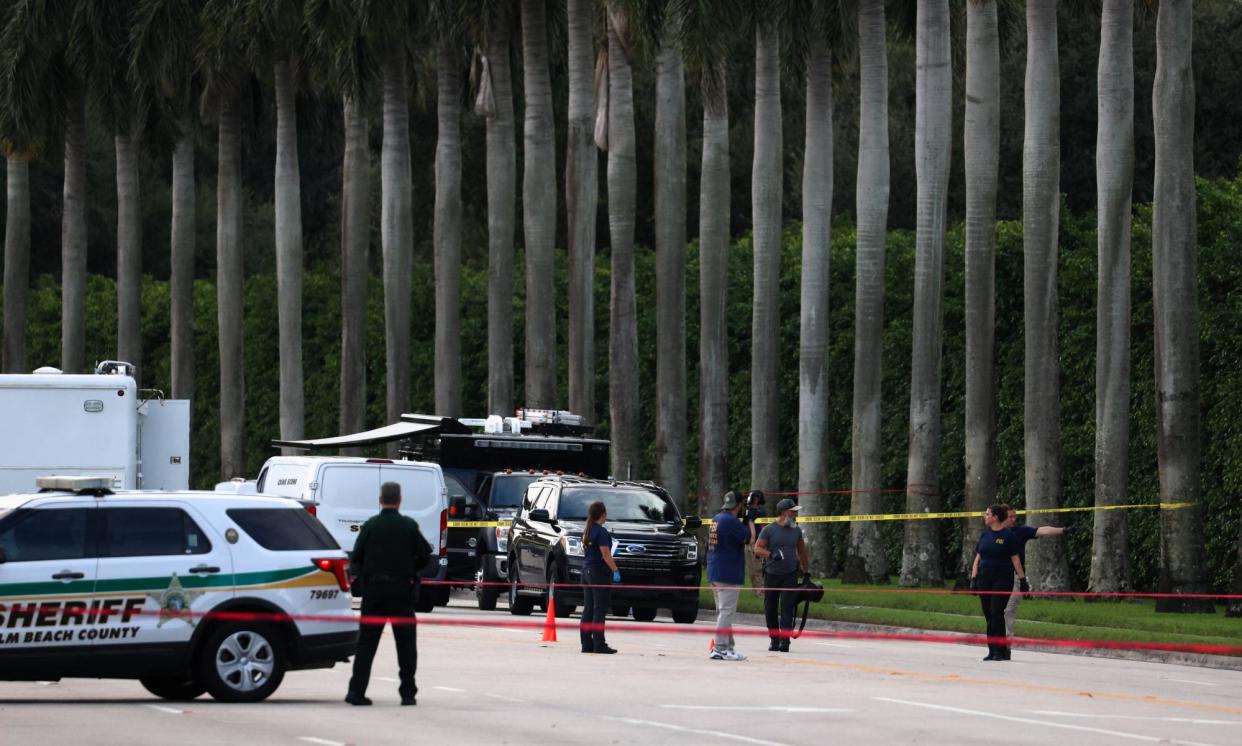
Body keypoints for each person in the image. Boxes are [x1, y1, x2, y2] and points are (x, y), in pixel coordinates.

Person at [346, 481, 432, 706]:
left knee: (366, 644)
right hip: (401, 592)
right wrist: (411, 568)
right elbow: (425, 555)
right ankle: (407, 693)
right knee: (406, 645)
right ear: (399, 500)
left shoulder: (371, 526)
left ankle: (356, 691)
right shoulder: (409, 526)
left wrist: (366, 572)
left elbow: (355, 557)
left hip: (374, 592)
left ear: (380, 500)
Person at [1003, 507, 1076, 638]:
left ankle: (1006, 641)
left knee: (1009, 609)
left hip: (1014, 576)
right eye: (1010, 517)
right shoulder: (992, 533)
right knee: (995, 610)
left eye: (1015, 516)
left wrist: (1063, 530)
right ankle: (994, 640)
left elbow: (1042, 530)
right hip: (996, 575)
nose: (1014, 519)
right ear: (1002, 517)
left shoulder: (1021, 531)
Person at [969, 504, 1027, 662]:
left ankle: (1001, 650)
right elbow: (978, 558)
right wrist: (974, 578)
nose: (985, 516)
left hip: (1002, 578)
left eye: (987, 514)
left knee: (996, 612)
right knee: (988, 614)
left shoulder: (1008, 536)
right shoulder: (985, 535)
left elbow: (1015, 559)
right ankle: (992, 649)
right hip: (984, 578)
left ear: (995, 517)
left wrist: (1022, 580)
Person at [754, 498, 809, 652]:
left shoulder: (796, 530)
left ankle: (785, 641)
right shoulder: (769, 530)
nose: (795, 514)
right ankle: (774, 639)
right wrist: (771, 555)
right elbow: (757, 549)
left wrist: (806, 571)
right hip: (772, 574)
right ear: (784, 512)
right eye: (793, 511)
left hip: (790, 574)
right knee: (770, 608)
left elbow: (802, 552)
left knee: (787, 607)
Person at [707, 490, 757, 661]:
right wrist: (750, 520)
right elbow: (750, 539)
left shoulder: (717, 518)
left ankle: (728, 647)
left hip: (715, 570)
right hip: (728, 572)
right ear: (738, 505)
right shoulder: (731, 521)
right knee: (726, 613)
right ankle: (720, 648)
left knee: (723, 612)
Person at [580, 500, 620, 654]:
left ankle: (586, 643)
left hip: (586, 571)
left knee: (588, 608)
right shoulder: (601, 531)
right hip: (598, 572)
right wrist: (615, 569)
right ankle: (599, 644)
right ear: (603, 515)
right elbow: (605, 554)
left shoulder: (588, 530)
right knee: (599, 609)